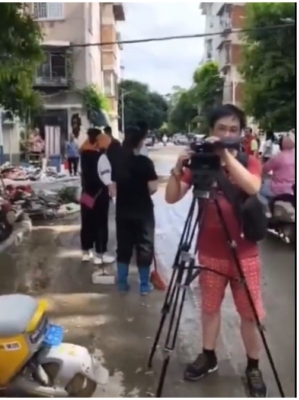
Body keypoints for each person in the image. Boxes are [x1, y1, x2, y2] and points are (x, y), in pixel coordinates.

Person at [165, 104, 267, 396]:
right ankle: (208, 355)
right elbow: (172, 198)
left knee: (250, 315)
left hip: (244, 253)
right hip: (209, 252)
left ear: (241, 133)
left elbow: (252, 187)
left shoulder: (248, 160)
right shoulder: (200, 162)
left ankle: (253, 366)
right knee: (209, 310)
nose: (227, 134)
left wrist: (225, 156)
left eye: (233, 129)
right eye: (221, 129)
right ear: (211, 131)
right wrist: (177, 169)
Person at [112, 126, 158, 295]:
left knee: (123, 245)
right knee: (144, 246)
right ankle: (144, 285)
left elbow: (114, 187)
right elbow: (153, 188)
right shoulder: (145, 163)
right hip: (143, 211)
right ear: (139, 142)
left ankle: (123, 284)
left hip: (123, 210)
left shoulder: (118, 163)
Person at [79, 127, 114, 265]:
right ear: (98, 141)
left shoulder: (83, 156)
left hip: (86, 193)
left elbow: (80, 174)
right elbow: (106, 177)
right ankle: (101, 254)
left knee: (87, 222)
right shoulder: (102, 157)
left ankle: (86, 252)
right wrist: (111, 187)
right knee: (100, 223)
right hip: (100, 195)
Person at [260, 134, 295, 206]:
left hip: (277, 189)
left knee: (260, 193)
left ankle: (267, 211)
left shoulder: (278, 157)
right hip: (293, 189)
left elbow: (265, 169)